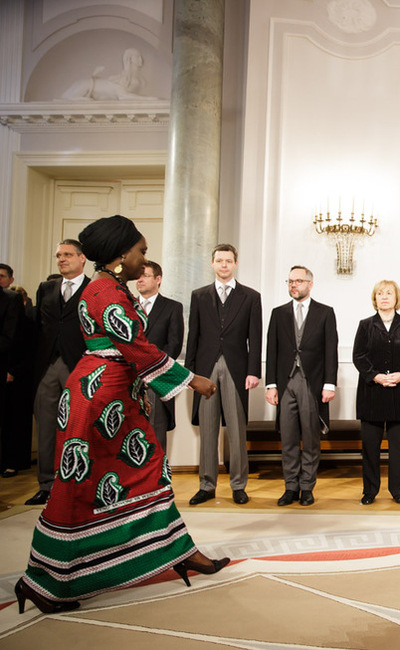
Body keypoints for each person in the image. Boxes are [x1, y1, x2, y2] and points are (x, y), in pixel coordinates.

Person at [15, 215, 227, 615]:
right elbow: (136, 346)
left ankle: (178, 551)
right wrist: (193, 379)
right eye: (141, 251)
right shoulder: (105, 292)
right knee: (76, 487)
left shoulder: (107, 287)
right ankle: (42, 580)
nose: (143, 260)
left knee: (149, 469)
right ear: (120, 254)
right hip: (95, 403)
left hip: (113, 398)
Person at [185, 244, 262, 505]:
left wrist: (254, 371)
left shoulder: (251, 297)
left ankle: (238, 485)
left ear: (235, 264)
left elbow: (255, 338)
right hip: (205, 369)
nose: (224, 265)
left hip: (237, 369)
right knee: (208, 429)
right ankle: (207, 485)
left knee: (237, 429)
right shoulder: (199, 296)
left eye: (228, 261)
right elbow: (192, 336)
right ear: (212, 264)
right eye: (219, 261)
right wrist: (190, 374)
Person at [265, 266, 338, 507]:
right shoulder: (278, 313)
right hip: (286, 382)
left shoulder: (325, 313)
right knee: (288, 439)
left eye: (298, 281)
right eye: (290, 281)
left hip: (312, 383)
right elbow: (272, 351)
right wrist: (271, 384)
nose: (293, 285)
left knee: (310, 437)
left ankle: (307, 487)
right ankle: (290, 487)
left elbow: (331, 351)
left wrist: (329, 384)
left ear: (310, 284)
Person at [27, 240, 91, 506]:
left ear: (82, 258)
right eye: (58, 255)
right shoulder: (46, 288)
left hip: (80, 365)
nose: (61, 259)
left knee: (82, 427)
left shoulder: (94, 288)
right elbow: (37, 328)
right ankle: (46, 485)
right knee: (45, 425)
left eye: (67, 255)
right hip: (48, 366)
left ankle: (81, 485)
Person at [352, 280, 400, 505]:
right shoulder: (365, 325)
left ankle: (398, 491)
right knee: (370, 448)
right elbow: (358, 356)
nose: (384, 297)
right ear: (375, 298)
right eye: (380, 293)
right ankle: (369, 492)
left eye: (389, 293)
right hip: (372, 393)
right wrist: (376, 376)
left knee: (398, 449)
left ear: (396, 298)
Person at [135, 261, 184, 454]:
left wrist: (151, 370)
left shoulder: (172, 307)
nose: (139, 279)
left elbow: (174, 345)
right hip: (127, 376)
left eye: (145, 275)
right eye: (138, 276)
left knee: (155, 434)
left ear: (158, 279)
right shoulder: (126, 305)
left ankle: (157, 480)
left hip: (157, 378)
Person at [2, 286, 35, 476]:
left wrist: (13, 370)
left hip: (16, 372)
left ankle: (13, 460)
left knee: (14, 420)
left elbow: (22, 345)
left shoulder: (24, 322)